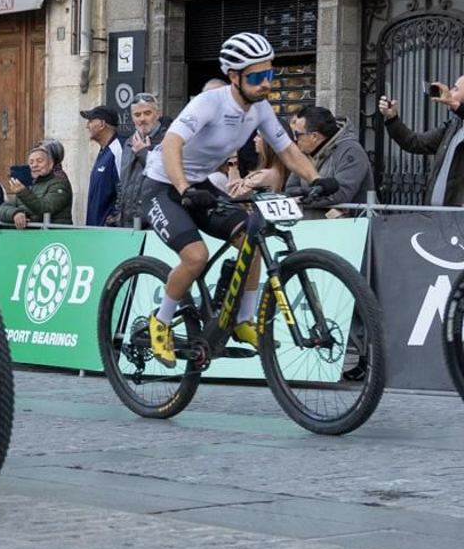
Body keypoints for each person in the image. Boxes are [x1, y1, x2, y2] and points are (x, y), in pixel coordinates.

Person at [142, 33, 333, 365]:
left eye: (270, 75)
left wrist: (316, 179)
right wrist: (185, 188)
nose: (266, 84)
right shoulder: (209, 103)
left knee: (251, 238)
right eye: (257, 78)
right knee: (195, 256)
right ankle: (160, 320)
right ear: (234, 77)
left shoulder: (260, 109)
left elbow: (287, 149)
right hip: (163, 185)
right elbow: (172, 144)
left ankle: (244, 320)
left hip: (199, 182)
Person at [377, 81, 464, 207]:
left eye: (455, 89)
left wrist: (452, 103)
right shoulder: (453, 126)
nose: (449, 92)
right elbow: (415, 142)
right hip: (437, 215)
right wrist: (392, 119)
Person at [284, 106, 375, 217]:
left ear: (314, 136)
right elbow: (290, 189)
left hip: (350, 229)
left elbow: (340, 194)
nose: (294, 139)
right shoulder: (305, 152)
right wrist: (309, 193)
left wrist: (304, 198)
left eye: (297, 135)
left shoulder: (351, 151)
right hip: (312, 226)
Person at [115, 96, 168, 228]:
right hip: (127, 224)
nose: (142, 119)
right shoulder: (129, 142)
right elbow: (123, 183)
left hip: (154, 223)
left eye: (147, 113)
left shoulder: (168, 139)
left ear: (157, 114)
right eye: (137, 115)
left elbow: (167, 175)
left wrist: (144, 153)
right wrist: (117, 216)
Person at [0, 143, 72, 228]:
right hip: (32, 237)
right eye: (31, 162)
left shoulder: (59, 183)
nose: (34, 165)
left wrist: (22, 192)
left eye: (39, 161)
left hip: (55, 238)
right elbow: (2, 209)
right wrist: (15, 213)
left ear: (51, 164)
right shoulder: (30, 184)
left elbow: (45, 208)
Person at [81, 106, 126, 226]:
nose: (87, 126)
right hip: (97, 230)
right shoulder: (103, 150)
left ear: (102, 124)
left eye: (90, 121)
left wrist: (114, 220)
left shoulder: (118, 149)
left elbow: (125, 187)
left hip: (110, 233)